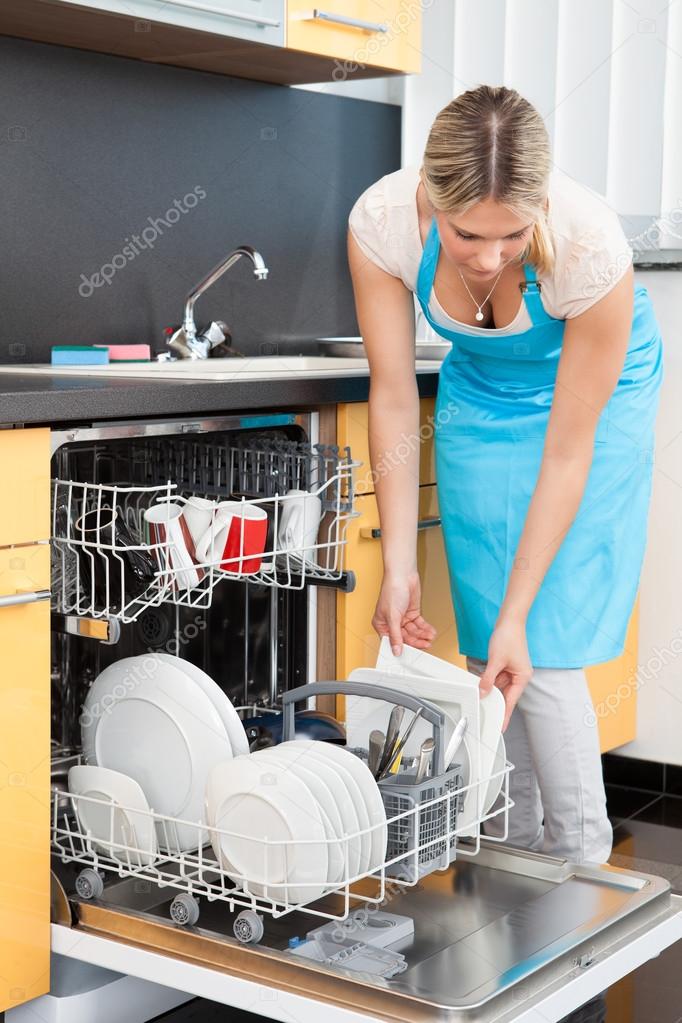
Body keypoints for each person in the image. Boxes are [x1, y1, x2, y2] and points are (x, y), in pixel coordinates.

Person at [347, 85, 663, 865]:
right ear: (430, 199)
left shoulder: (590, 248)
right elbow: (390, 396)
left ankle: (581, 871)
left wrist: (520, 610)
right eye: (465, 235)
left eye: (513, 235)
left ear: (542, 208)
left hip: (594, 398)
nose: (490, 257)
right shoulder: (383, 225)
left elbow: (566, 448)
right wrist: (395, 566)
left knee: (539, 640)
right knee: (486, 640)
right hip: (482, 395)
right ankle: (510, 858)